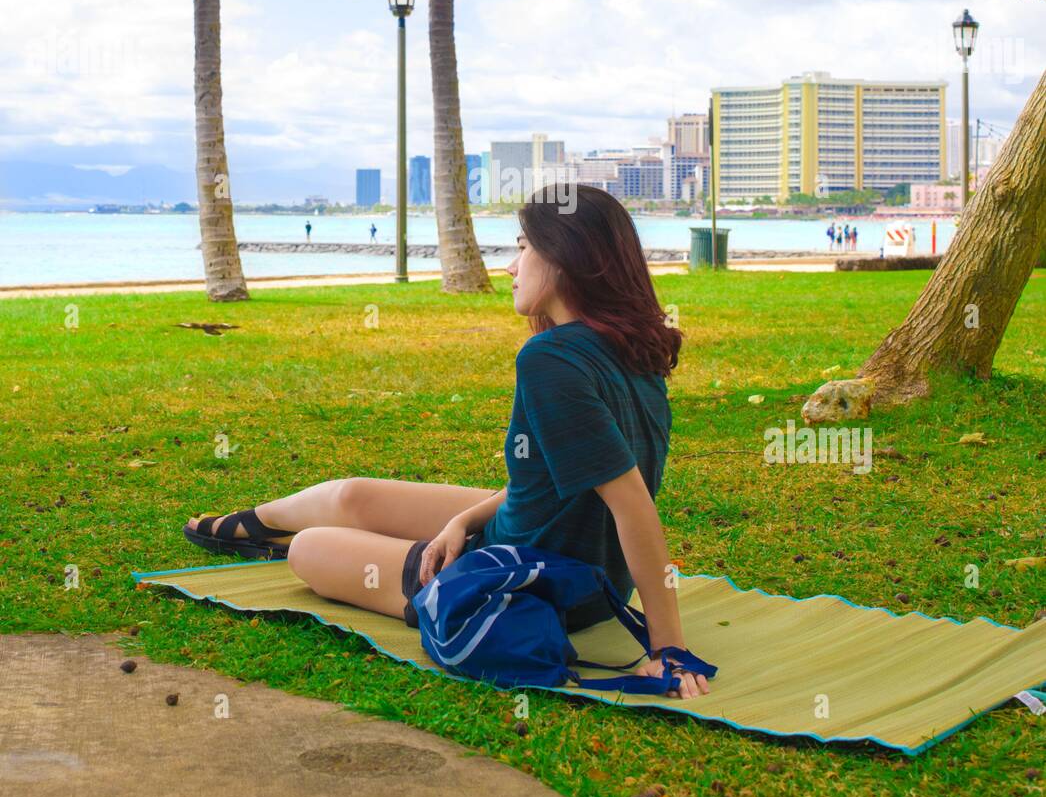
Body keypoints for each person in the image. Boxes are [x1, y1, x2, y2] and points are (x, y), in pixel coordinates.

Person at [182, 185, 711, 699]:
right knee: (352, 497)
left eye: (523, 248)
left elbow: (633, 504)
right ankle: (252, 527)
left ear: (565, 256)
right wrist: (462, 521)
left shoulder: (550, 359)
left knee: (309, 548)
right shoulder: (633, 350)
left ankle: (294, 541)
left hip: (526, 581)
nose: (509, 266)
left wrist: (668, 648)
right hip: (576, 565)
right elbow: (571, 475)